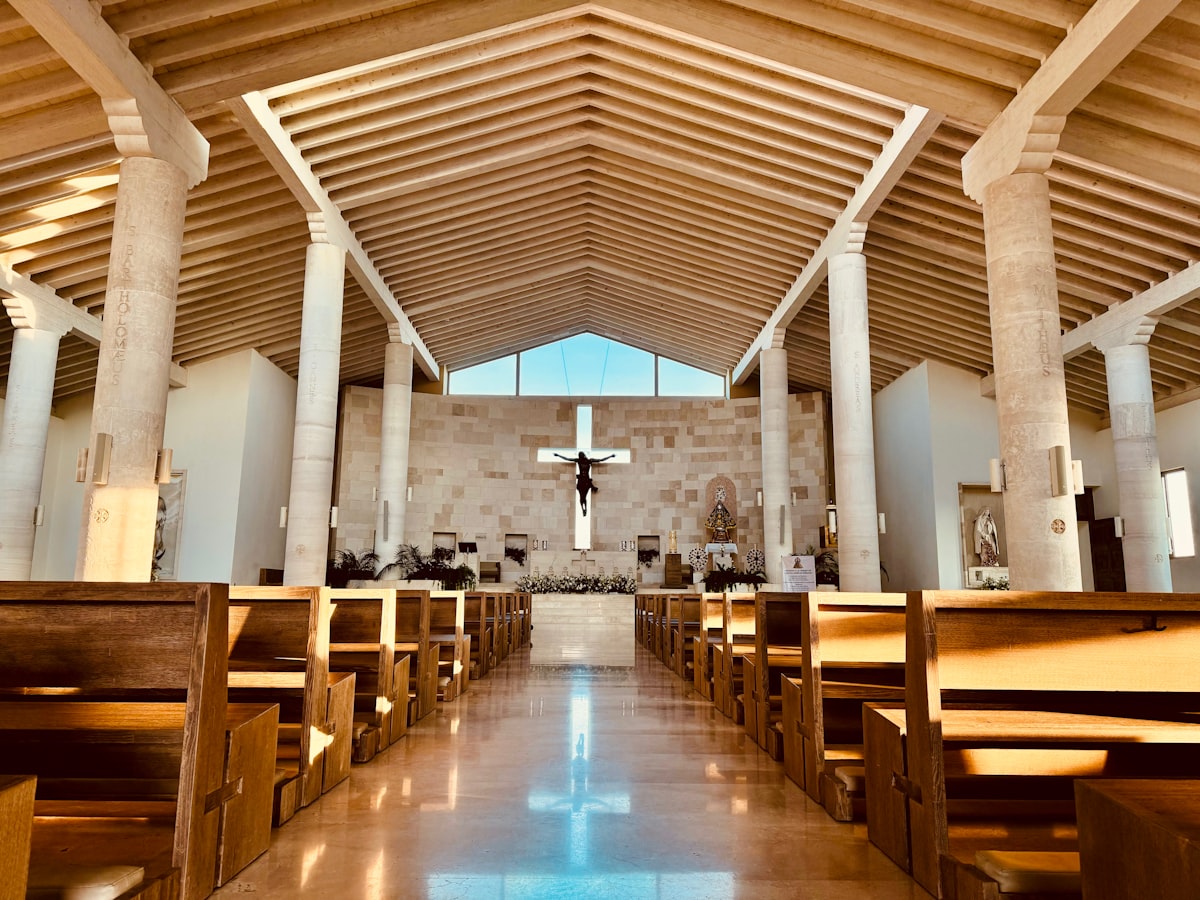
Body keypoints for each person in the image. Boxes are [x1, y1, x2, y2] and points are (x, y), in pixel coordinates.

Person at [554, 450, 615, 516]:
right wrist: (558, 455)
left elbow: (600, 460)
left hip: (586, 481)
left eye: (581, 455)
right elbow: (568, 459)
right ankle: (583, 509)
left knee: (583, 497)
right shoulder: (579, 461)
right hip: (582, 481)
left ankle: (584, 508)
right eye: (580, 455)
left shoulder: (589, 461)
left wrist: (610, 456)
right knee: (582, 497)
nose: (581, 456)